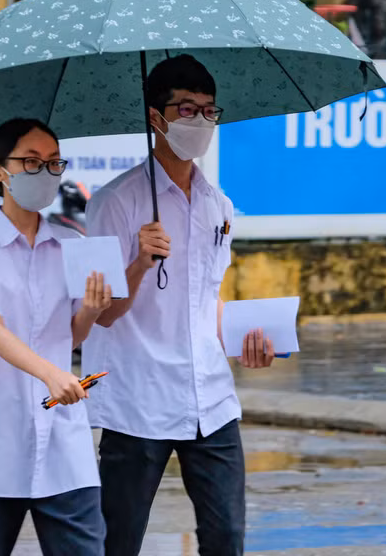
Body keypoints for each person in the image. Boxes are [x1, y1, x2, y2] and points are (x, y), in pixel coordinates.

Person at [82, 55, 278, 556]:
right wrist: (139, 264)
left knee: (226, 538)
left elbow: (206, 299)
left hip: (210, 399)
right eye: (186, 109)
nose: (200, 122)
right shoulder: (112, 203)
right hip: (136, 399)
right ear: (156, 117)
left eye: (209, 111)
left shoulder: (219, 205)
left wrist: (243, 343)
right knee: (117, 540)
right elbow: (99, 315)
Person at [0, 119, 111, 556]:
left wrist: (91, 309)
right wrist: (51, 374)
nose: (45, 173)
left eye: (53, 163)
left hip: (62, 433)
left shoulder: (72, 242)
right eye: (31, 162)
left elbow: (71, 334)